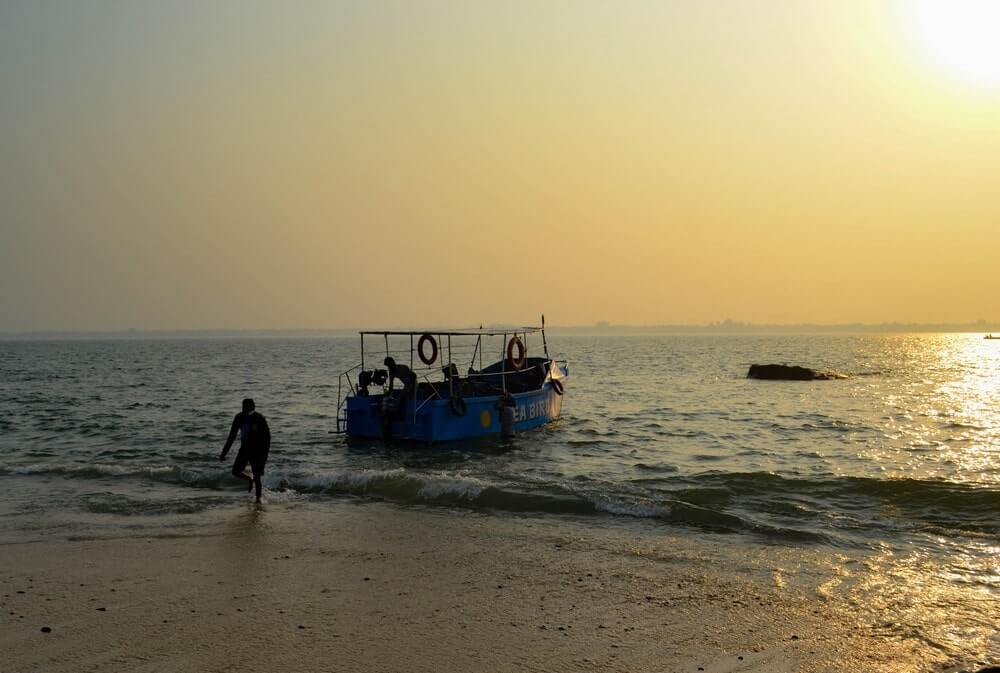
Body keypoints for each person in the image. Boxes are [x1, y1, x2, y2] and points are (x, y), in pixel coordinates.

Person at [219, 398, 271, 503]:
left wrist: (264, 454)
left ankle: (258, 499)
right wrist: (224, 452)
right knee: (235, 471)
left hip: (258, 450)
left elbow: (267, 437)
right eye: (243, 406)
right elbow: (232, 436)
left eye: (246, 407)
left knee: (257, 475)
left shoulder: (259, 418)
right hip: (245, 449)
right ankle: (249, 479)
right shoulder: (239, 417)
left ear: (252, 407)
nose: (244, 409)